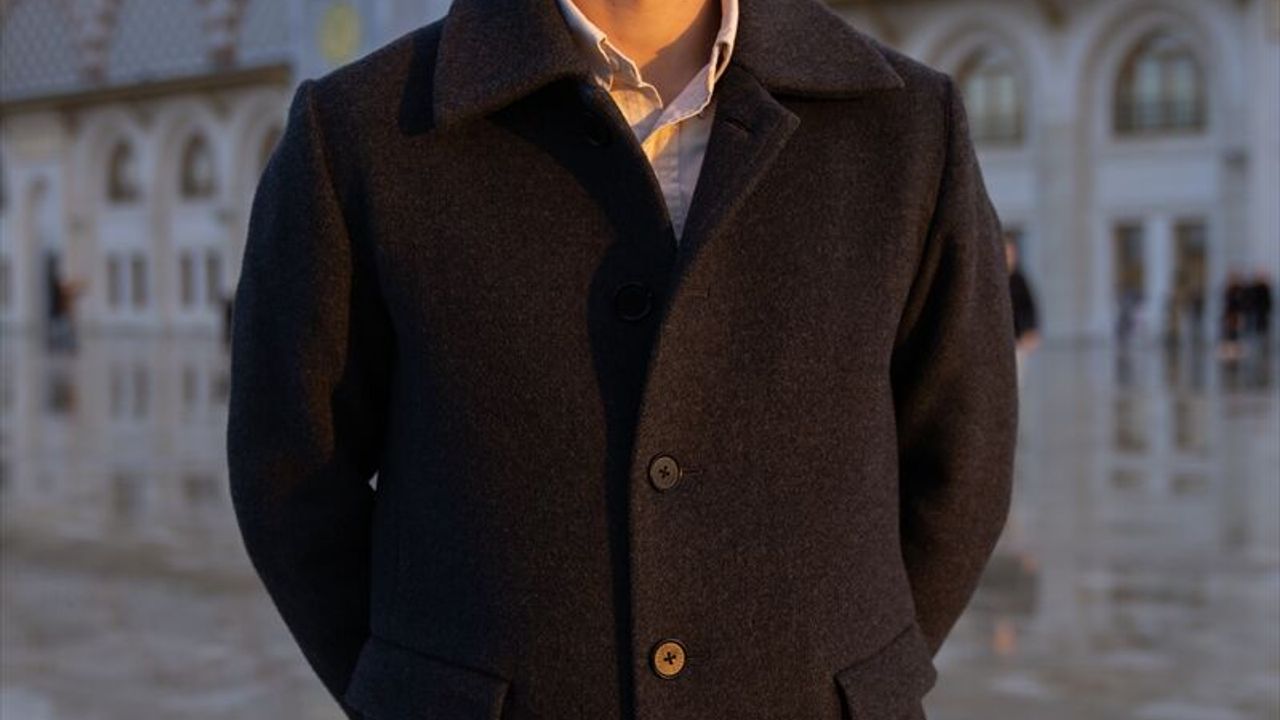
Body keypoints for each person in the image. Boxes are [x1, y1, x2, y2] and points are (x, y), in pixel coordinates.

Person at [225, 0, 1019, 718]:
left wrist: (851, 678)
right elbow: (291, 473)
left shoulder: (906, 126)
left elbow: (963, 460)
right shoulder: (359, 133)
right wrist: (417, 694)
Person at [1005, 235, 1039, 386]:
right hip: (1000, 339)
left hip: (1017, 339)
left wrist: (1031, 331)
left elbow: (1029, 307)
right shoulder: (995, 279)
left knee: (1016, 379)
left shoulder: (1019, 279)